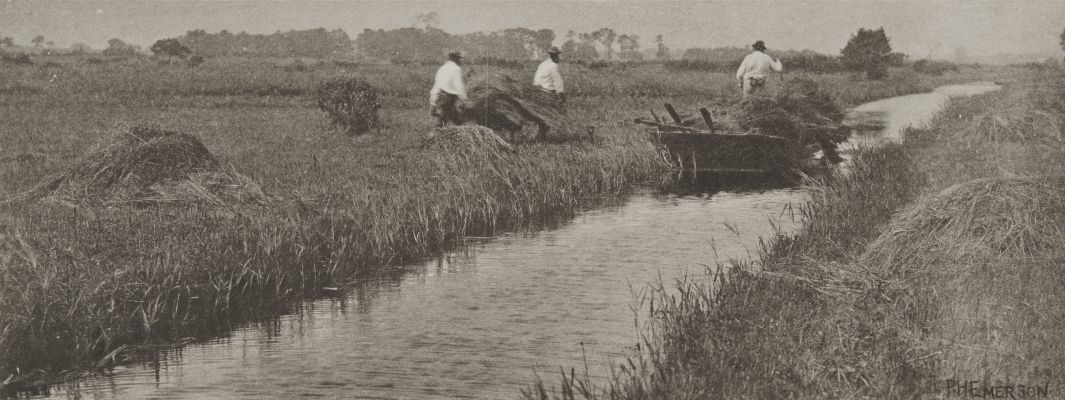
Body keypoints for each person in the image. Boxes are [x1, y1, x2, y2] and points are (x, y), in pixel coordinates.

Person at [429, 51, 468, 127]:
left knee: (449, 120)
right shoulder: (456, 69)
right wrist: (464, 100)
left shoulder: (443, 68)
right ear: (456, 58)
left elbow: (436, 87)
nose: (463, 60)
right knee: (450, 121)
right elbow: (459, 86)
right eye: (461, 58)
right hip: (449, 99)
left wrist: (433, 103)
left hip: (441, 97)